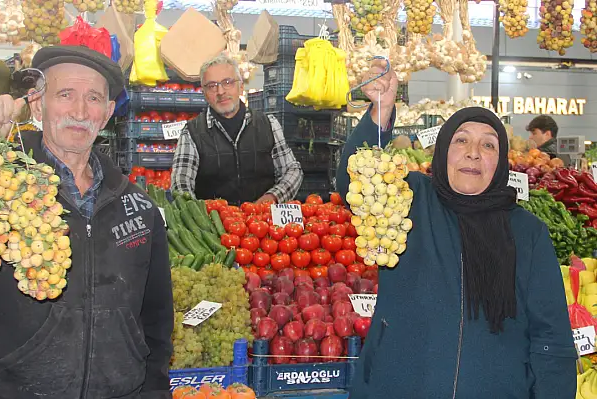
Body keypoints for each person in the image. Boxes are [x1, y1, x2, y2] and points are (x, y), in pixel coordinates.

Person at [0, 45, 173, 399]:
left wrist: (154, 391)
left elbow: (157, 320)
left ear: (108, 113)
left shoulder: (138, 206)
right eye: (65, 94)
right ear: (37, 104)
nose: (80, 111)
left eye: (94, 98)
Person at [338, 61, 576, 399]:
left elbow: (551, 337)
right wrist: (380, 111)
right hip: (396, 385)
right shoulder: (410, 200)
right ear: (442, 151)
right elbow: (355, 181)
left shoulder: (527, 232)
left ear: (501, 160)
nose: (473, 154)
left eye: (489, 145)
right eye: (461, 140)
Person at [171, 54, 303, 205]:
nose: (220, 91)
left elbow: (292, 170)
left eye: (227, 82)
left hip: (263, 223)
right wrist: (197, 214)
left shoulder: (269, 124)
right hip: (214, 224)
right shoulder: (191, 133)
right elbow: (180, 183)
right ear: (204, 93)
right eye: (212, 86)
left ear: (240, 86)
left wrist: (273, 197)